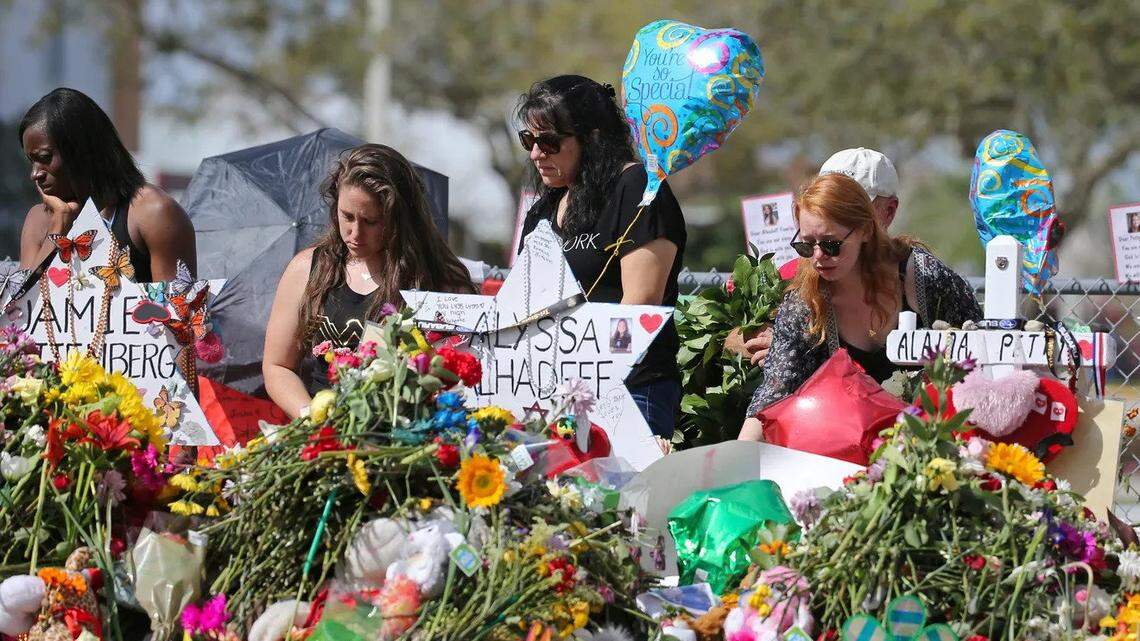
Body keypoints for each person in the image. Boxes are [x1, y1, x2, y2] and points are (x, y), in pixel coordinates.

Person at [738, 172, 980, 441]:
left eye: (831, 245)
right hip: (850, 449)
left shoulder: (923, 278)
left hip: (938, 440)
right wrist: (739, 464)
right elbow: (773, 395)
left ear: (865, 230)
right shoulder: (804, 303)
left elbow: (981, 355)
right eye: (806, 246)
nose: (818, 257)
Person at [515, 75, 687, 439]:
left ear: (592, 137)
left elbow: (641, 303)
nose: (535, 153)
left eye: (548, 141)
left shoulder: (637, 187)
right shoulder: (542, 210)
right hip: (552, 392)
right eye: (529, 140)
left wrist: (590, 376)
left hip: (630, 388)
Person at [263, 144, 474, 419]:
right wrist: (310, 417)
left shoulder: (439, 281)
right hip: (321, 438)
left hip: (403, 438)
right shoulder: (308, 268)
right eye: (347, 216)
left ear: (400, 220)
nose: (355, 233)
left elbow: (457, 375)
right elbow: (277, 366)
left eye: (371, 221)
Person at [725, 147, 901, 366]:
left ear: (889, 211)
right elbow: (730, 339)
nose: (839, 214)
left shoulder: (917, 273)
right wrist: (779, 344)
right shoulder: (790, 274)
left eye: (854, 207)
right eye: (830, 202)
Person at [18, 88, 195, 281]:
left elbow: (177, 307)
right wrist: (58, 225)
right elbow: (20, 308)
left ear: (82, 151)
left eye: (44, 157)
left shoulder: (153, 212)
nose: (35, 174)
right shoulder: (39, 219)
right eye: (31, 161)